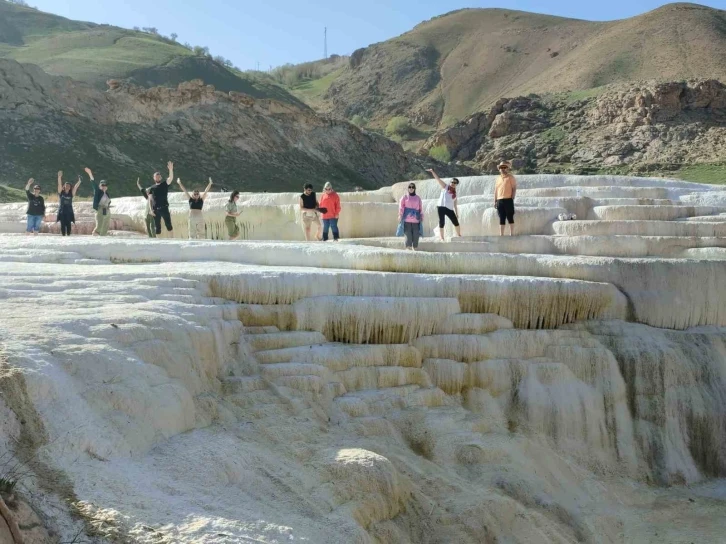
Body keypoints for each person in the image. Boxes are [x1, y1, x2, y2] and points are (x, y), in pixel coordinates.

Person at [426, 168, 461, 240]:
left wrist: (457, 213)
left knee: (456, 222)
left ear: (456, 184)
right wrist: (432, 171)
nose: (453, 183)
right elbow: (438, 179)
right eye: (452, 182)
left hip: (449, 209)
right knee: (442, 222)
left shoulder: (455, 194)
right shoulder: (445, 187)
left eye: (455, 183)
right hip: (441, 207)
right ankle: (442, 237)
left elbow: (455, 204)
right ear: (450, 182)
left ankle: (459, 235)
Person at [148, 162, 174, 235]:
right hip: (155, 210)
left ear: (161, 177)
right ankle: (158, 243)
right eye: (156, 176)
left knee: (168, 225)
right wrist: (151, 210)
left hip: (164, 208)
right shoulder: (151, 188)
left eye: (159, 176)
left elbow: (171, 178)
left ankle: (172, 241)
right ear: (154, 178)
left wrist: (171, 170)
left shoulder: (164, 184)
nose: (158, 177)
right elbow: (150, 200)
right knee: (157, 227)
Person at [85, 167, 111, 236]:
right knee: (100, 224)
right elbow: (93, 183)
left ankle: (103, 235)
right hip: (100, 209)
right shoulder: (98, 191)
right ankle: (95, 234)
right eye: (103, 185)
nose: (104, 186)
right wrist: (90, 173)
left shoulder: (107, 193)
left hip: (107, 210)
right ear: (100, 186)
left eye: (105, 185)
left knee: (106, 224)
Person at [398, 182, 424, 250]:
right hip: (407, 219)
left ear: (415, 188)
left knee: (416, 235)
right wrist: (400, 215)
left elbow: (420, 207)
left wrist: (421, 215)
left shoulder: (418, 198)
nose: (411, 188)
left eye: (413, 187)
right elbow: (401, 207)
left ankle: (415, 248)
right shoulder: (405, 197)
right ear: (408, 188)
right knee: (407, 234)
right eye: (410, 187)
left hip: (416, 219)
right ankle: (408, 248)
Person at [494, 160, 517, 236]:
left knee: (510, 217)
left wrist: (512, 197)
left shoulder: (511, 177)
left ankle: (512, 234)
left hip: (508, 199)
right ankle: (501, 235)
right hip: (500, 200)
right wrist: (495, 201)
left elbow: (514, 188)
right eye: (501, 167)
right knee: (501, 217)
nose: (503, 169)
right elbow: (496, 190)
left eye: (504, 167)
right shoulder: (498, 179)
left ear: (507, 168)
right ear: (499, 169)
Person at [56, 171, 82, 236]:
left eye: (68, 186)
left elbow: (75, 187)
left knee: (68, 225)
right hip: (62, 211)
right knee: (62, 225)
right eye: (66, 185)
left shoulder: (71, 194)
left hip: (69, 211)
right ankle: (63, 237)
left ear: (70, 187)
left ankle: (68, 237)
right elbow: (59, 184)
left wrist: (79, 181)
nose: (67, 186)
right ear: (64, 187)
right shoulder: (61, 193)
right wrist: (59, 177)